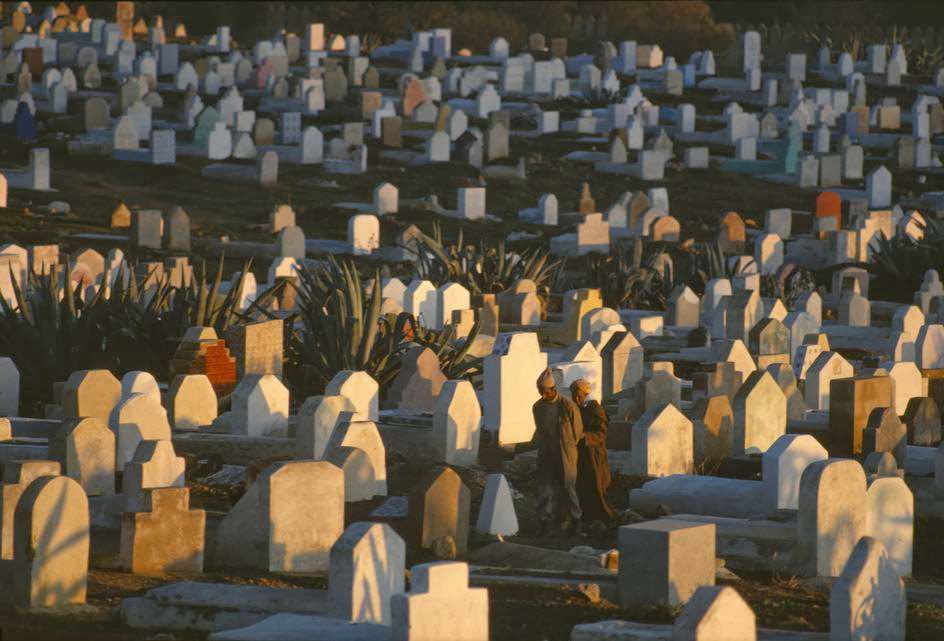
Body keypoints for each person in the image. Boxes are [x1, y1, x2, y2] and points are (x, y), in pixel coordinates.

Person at [531, 368, 584, 535]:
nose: (542, 394)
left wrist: (567, 445)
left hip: (566, 453)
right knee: (545, 488)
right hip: (547, 452)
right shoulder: (538, 407)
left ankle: (575, 520)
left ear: (553, 389)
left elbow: (577, 432)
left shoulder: (568, 405)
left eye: (545, 391)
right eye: (540, 391)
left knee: (568, 488)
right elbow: (540, 429)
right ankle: (544, 522)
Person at [570, 379, 615, 526]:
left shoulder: (595, 409)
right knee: (584, 485)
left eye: (578, 394)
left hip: (595, 453)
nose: (576, 398)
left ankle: (605, 517)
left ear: (585, 394)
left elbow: (602, 432)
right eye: (574, 395)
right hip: (582, 453)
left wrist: (586, 436)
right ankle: (588, 517)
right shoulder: (577, 408)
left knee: (597, 485)